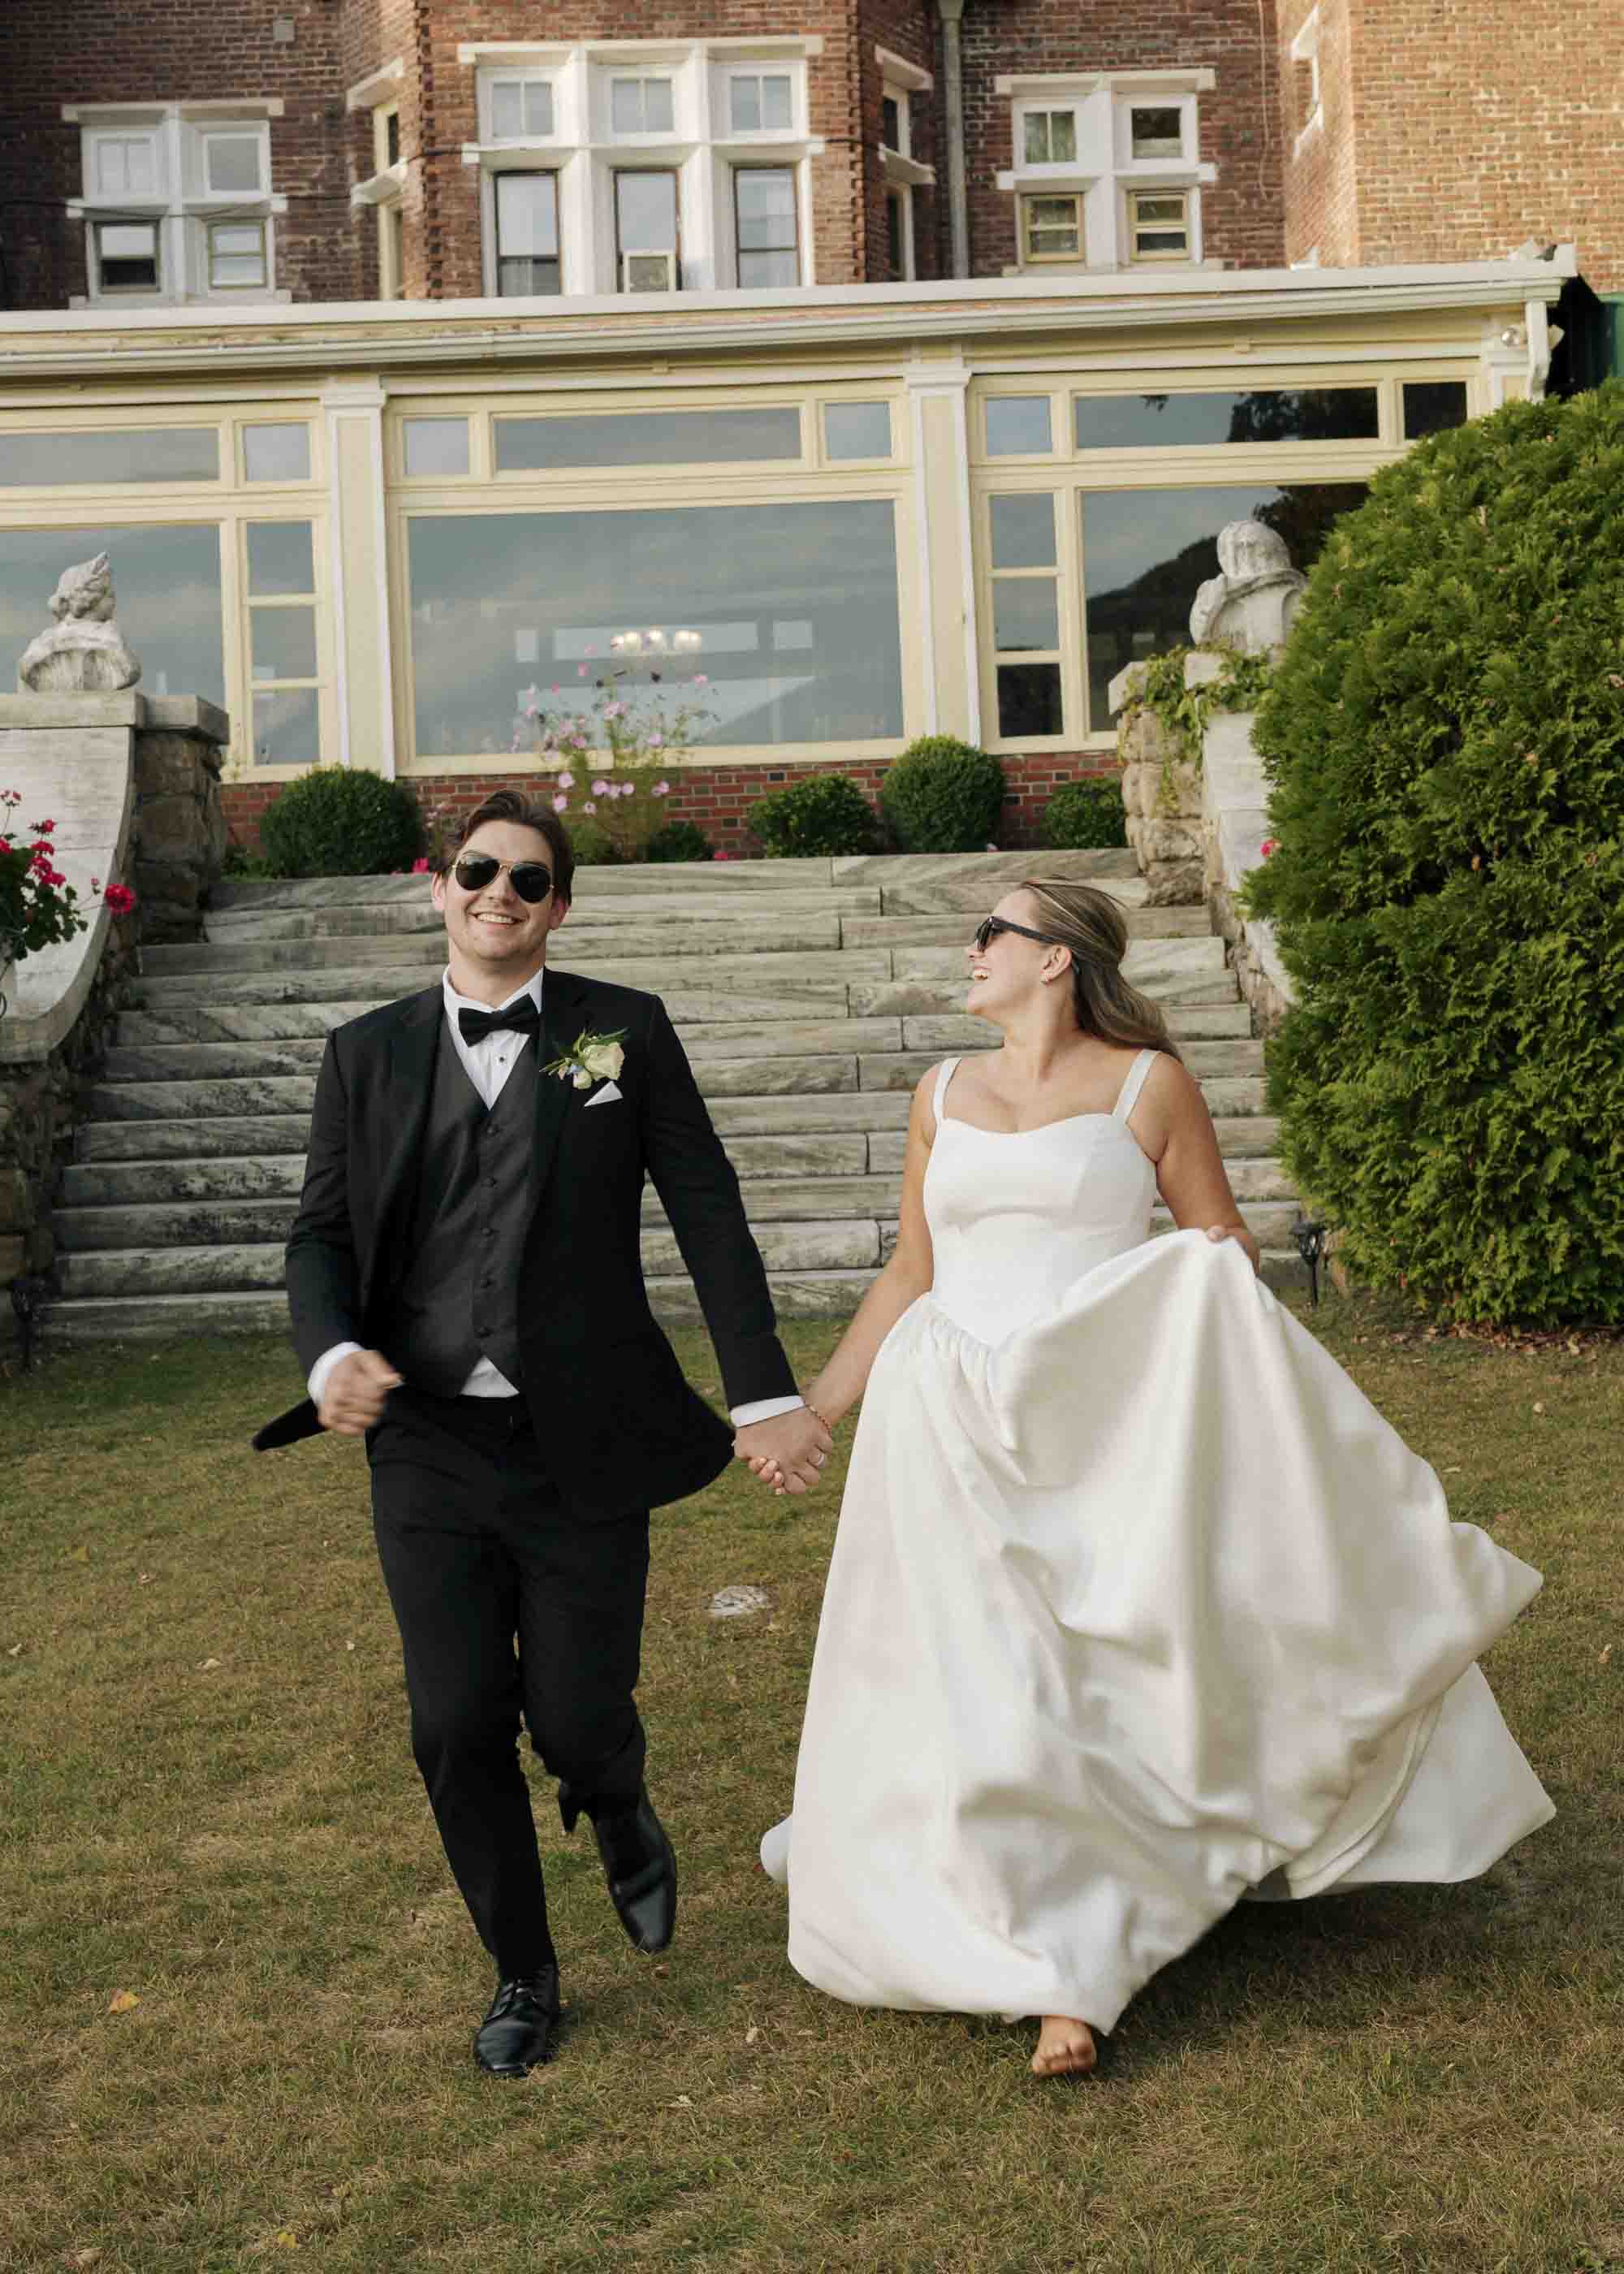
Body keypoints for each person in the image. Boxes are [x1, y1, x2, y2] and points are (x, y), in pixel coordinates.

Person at [753, 880, 1553, 2079]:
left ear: (1056, 959)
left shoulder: (1147, 1084)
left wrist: (1192, 1335)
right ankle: (1047, 1959)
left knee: (1096, 1671)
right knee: (984, 1675)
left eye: (992, 935)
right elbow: (910, 1274)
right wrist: (816, 1409)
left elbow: (1218, 1248)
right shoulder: (940, 1097)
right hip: (947, 1415)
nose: (970, 952)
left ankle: (1099, 1927)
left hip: (1098, 1409)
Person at [254, 791, 831, 2077]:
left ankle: (615, 1801)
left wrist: (762, 1390)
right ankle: (523, 1971)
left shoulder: (623, 1031)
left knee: (574, 1718)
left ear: (558, 906)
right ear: (440, 887)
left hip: (587, 1432)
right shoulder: (367, 1052)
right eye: (477, 871)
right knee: (453, 1722)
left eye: (528, 879)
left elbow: (707, 1206)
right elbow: (320, 1236)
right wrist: (333, 1347)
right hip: (428, 1441)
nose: (498, 894)